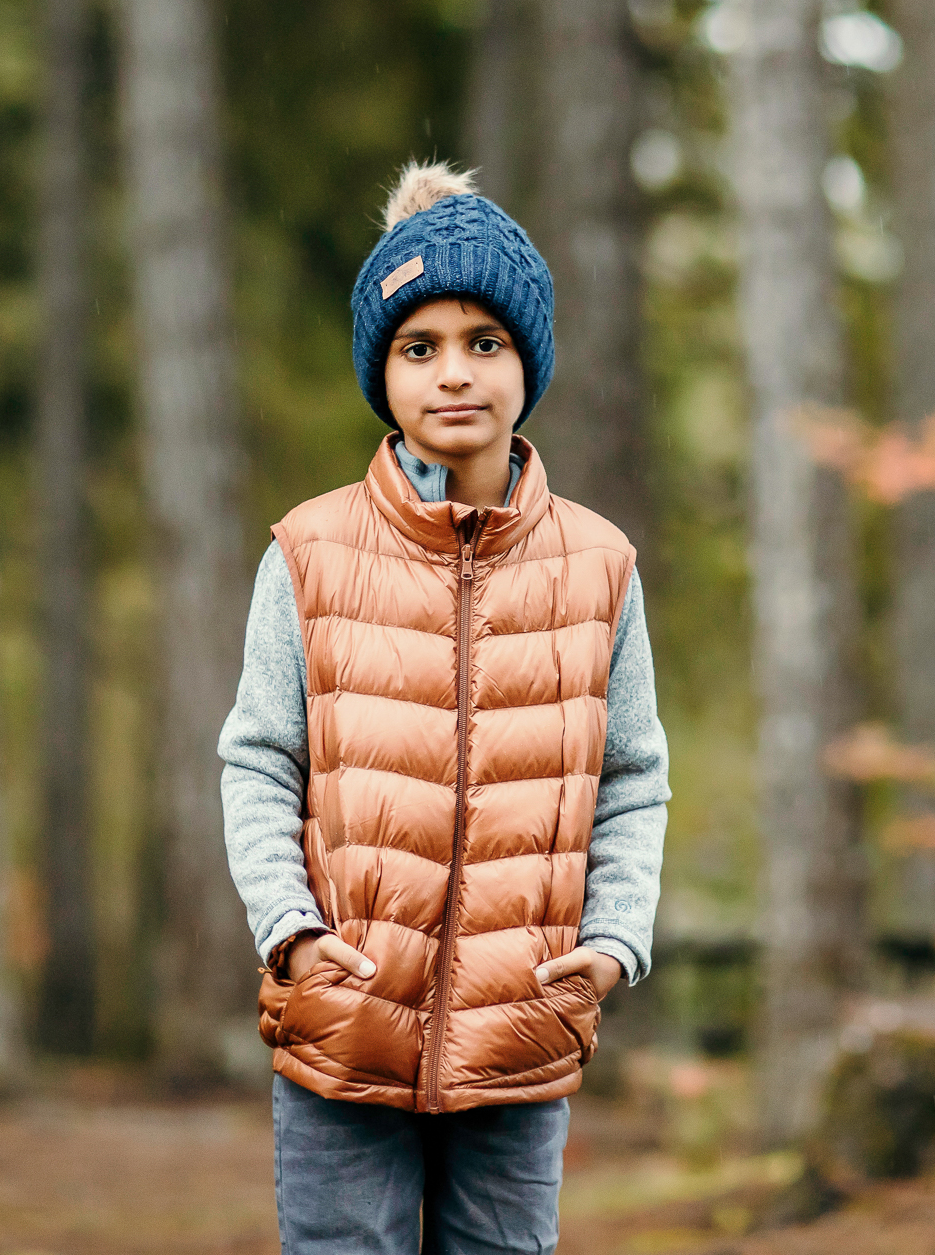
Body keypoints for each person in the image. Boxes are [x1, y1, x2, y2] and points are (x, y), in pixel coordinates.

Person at [218, 160, 671, 1254]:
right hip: (346, 1026)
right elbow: (260, 759)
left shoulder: (599, 565)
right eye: (420, 347)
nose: (453, 373)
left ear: (530, 363)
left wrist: (613, 943)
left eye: (486, 342)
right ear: (385, 371)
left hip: (522, 1033)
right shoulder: (309, 554)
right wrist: (290, 931)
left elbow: (633, 775)